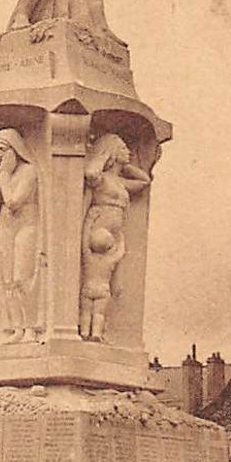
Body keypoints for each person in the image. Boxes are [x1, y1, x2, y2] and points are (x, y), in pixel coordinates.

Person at [80, 134, 150, 342]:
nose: (128, 152)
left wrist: (124, 165)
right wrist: (104, 156)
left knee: (108, 282)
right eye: (123, 149)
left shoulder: (119, 181)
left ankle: (95, 331)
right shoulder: (102, 180)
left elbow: (144, 181)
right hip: (99, 230)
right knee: (98, 280)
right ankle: (90, 331)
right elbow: (91, 172)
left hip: (114, 234)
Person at [0, 129, 41, 343]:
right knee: (7, 282)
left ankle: (30, 328)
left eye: (2, 149)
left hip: (25, 227)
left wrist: (5, 177)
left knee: (21, 279)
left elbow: (14, 202)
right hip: (4, 228)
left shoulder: (29, 171)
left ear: (15, 148)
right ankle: (17, 328)